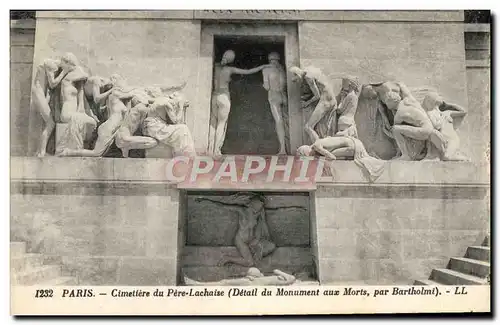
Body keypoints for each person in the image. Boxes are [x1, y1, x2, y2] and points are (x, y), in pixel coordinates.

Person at [208, 50, 272, 156]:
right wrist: (263, 66)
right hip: (224, 96)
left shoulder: (215, 67)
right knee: (221, 124)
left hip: (215, 95)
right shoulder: (230, 69)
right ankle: (216, 150)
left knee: (212, 123)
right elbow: (248, 71)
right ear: (231, 60)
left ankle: (210, 150)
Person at [57, 74, 133, 157]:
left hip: (108, 127)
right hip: (107, 128)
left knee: (99, 152)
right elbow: (97, 99)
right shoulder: (104, 86)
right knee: (96, 153)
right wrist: (113, 90)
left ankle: (71, 151)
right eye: (118, 81)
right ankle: (69, 152)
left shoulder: (112, 96)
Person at [195, 193, 276, 267]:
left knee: (272, 246)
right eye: (259, 204)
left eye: (262, 205)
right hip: (241, 241)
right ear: (252, 202)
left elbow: (259, 229)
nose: (261, 206)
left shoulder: (258, 214)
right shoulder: (242, 210)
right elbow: (223, 205)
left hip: (251, 241)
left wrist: (256, 240)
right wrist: (206, 199)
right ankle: (228, 258)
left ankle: (254, 252)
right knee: (249, 262)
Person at [31, 58, 70, 157]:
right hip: (38, 93)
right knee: (50, 122)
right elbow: (52, 84)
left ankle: (40, 151)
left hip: (42, 93)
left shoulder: (53, 65)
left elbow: (49, 86)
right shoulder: (50, 64)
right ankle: (41, 152)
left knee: (48, 122)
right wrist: (64, 73)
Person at [289, 66, 337, 143]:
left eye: (296, 80)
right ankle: (321, 145)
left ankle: (318, 147)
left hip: (326, 100)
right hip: (330, 98)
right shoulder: (308, 70)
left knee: (308, 127)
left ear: (297, 75)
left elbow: (317, 95)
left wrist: (306, 103)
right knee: (321, 129)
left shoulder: (308, 77)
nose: (297, 83)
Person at [142, 92, 196, 157]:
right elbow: (176, 121)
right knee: (183, 129)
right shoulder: (167, 103)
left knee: (182, 129)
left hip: (151, 126)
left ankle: (184, 155)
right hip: (155, 127)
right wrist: (181, 107)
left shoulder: (162, 99)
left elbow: (150, 100)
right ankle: (186, 156)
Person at [421, 92, 469, 161]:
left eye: (436, 105)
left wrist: (449, 105)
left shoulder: (447, 112)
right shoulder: (431, 114)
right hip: (443, 140)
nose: (435, 108)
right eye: (434, 105)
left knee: (447, 157)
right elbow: (436, 126)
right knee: (445, 156)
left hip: (452, 139)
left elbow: (463, 112)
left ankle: (464, 159)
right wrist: (440, 118)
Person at [262, 52, 288, 155]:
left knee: (279, 122)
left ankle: (282, 149)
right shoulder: (281, 68)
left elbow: (267, 86)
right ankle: (286, 147)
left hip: (273, 95)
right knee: (286, 120)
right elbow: (283, 83)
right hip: (283, 95)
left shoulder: (266, 69)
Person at [184, 268, 296, 286]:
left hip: (253, 282)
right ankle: (197, 283)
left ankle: (197, 284)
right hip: (253, 280)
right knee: (225, 282)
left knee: (224, 282)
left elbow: (292, 278)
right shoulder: (276, 278)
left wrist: (278, 271)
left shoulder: (282, 279)